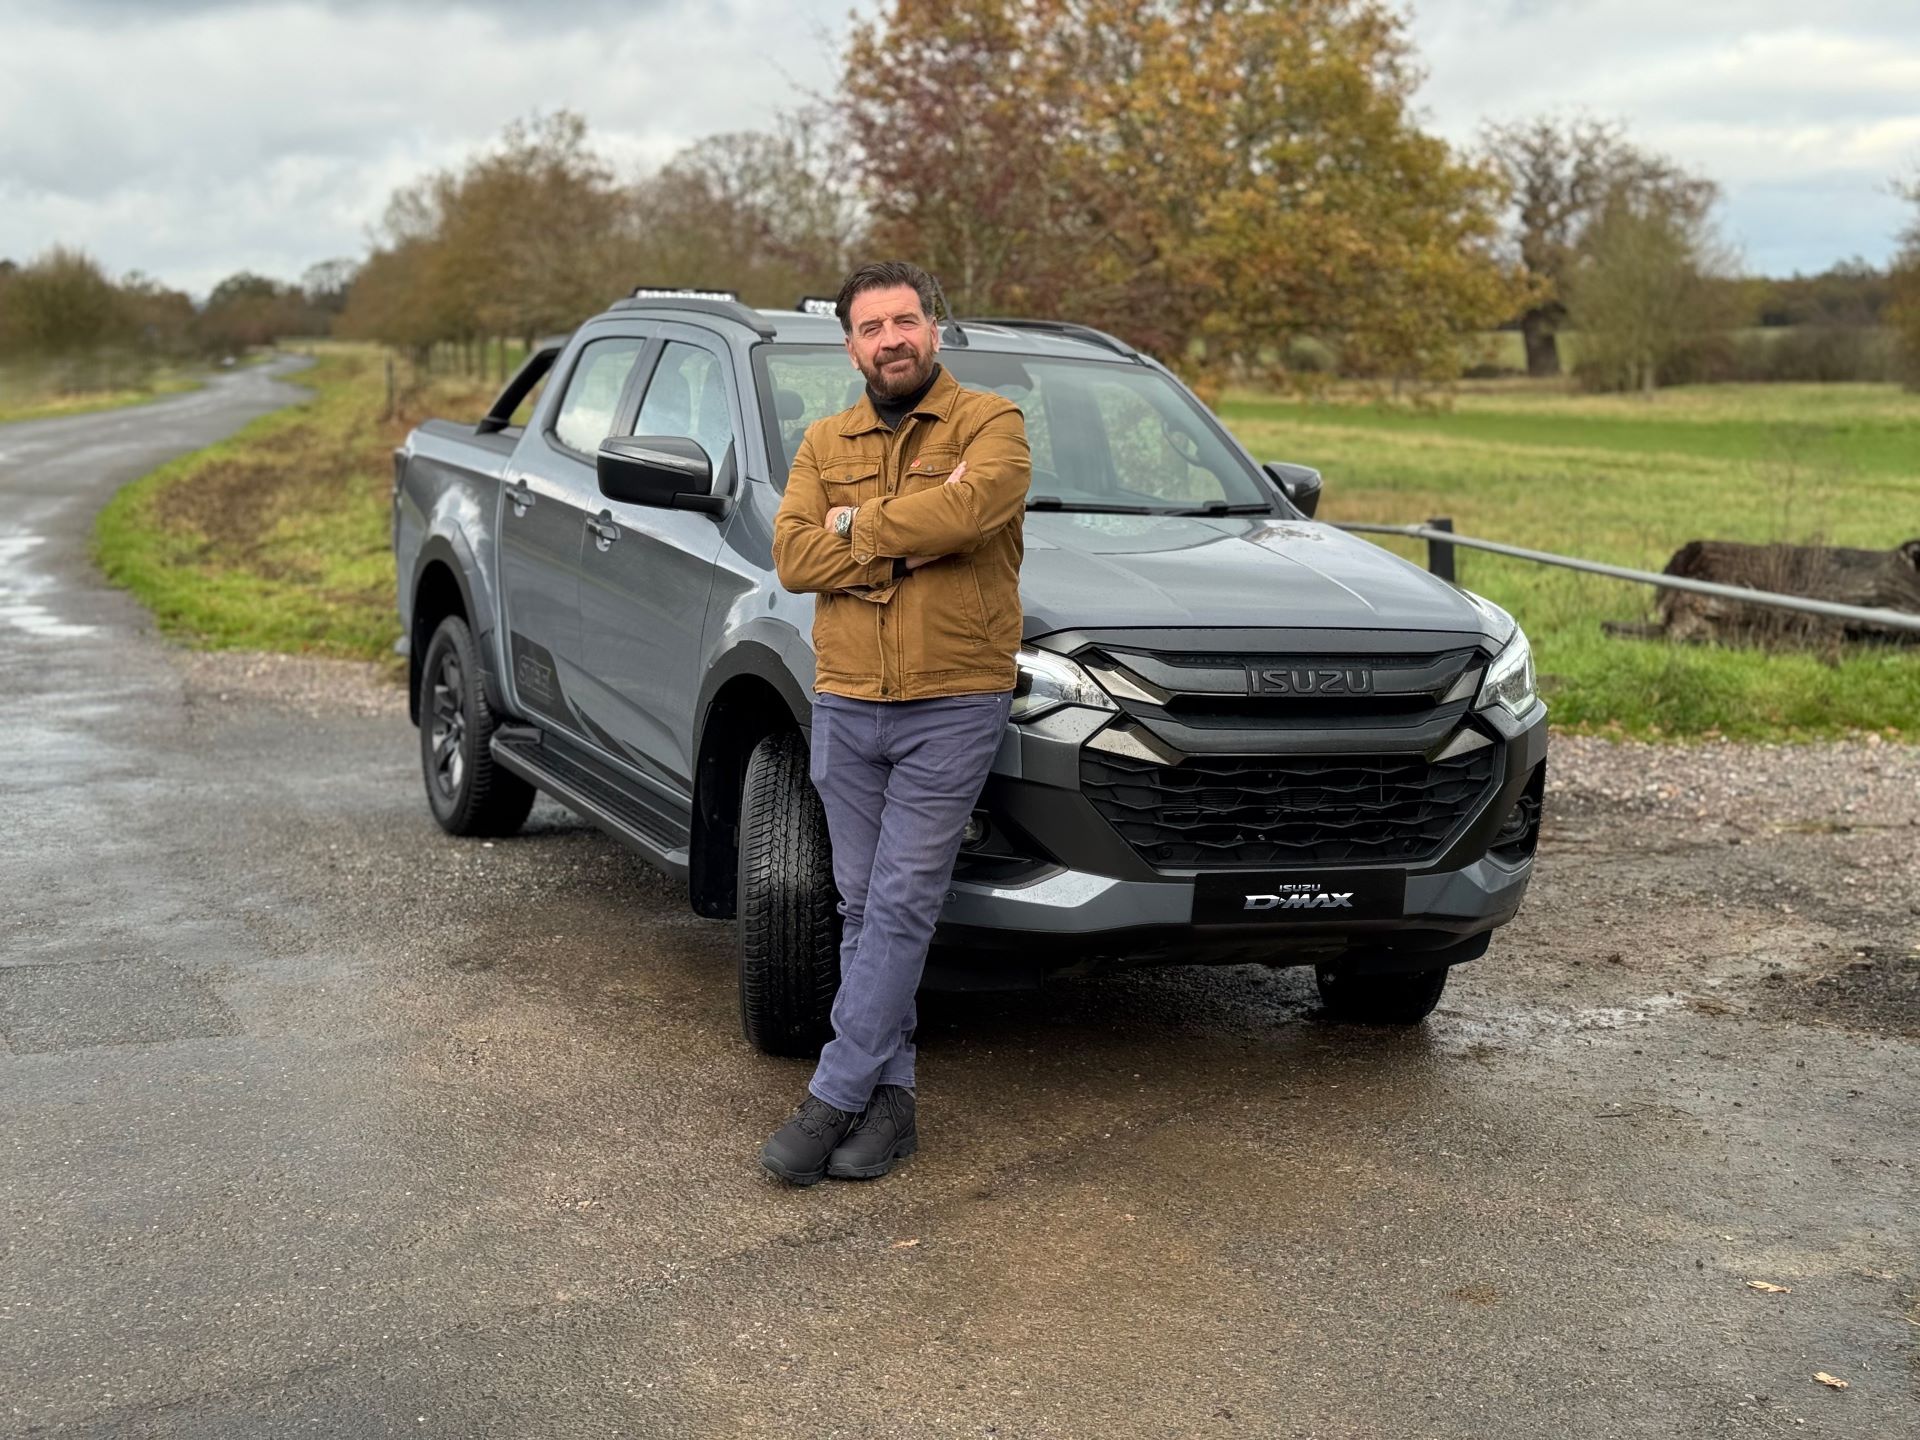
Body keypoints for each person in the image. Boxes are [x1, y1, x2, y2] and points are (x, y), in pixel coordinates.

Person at [763, 260, 1031, 1184]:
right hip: (847, 697)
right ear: (851, 348)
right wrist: (901, 536)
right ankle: (893, 1102)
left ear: (933, 330)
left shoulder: (991, 423)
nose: (892, 340)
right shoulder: (821, 439)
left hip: (953, 698)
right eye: (872, 328)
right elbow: (792, 556)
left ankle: (833, 1094)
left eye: (905, 321)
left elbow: (972, 511)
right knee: (862, 905)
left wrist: (852, 527)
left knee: (903, 900)